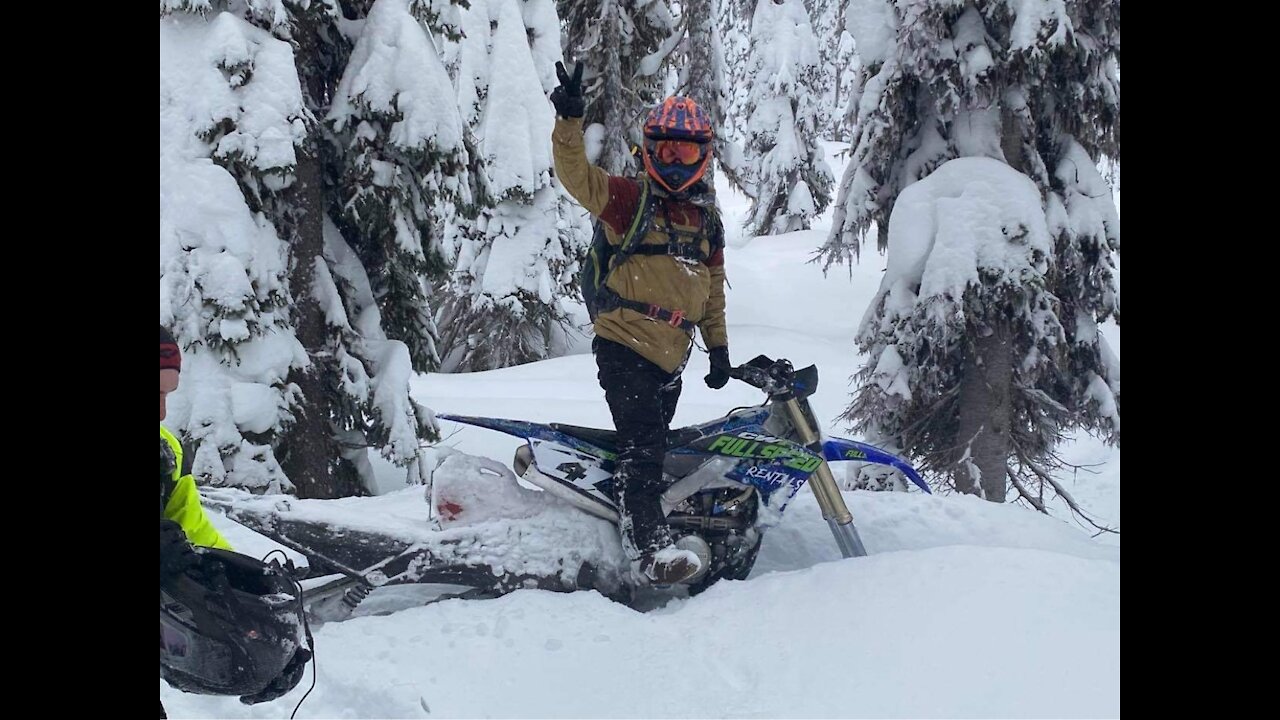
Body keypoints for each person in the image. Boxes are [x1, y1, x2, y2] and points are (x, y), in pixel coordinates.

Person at [549, 61, 733, 585]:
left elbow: (712, 291)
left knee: (652, 446)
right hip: (624, 343)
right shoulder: (630, 200)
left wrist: (718, 348)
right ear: (650, 151)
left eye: (687, 152)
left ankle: (621, 515)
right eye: (667, 151)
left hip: (673, 354)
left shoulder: (707, 222)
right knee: (644, 447)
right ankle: (647, 552)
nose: (675, 162)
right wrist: (569, 122)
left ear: (703, 156)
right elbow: (576, 177)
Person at [159, 326, 309, 716]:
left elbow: (192, 534)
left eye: (166, 395)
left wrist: (255, 613)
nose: (161, 411)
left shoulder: (165, 452)